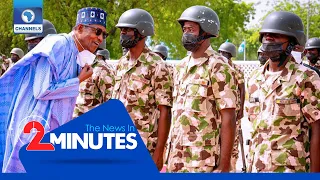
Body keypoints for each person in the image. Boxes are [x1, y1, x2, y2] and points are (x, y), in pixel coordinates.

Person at [0, 7, 108, 173]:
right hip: (33, 133)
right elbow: (42, 90)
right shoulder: (58, 44)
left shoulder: (75, 53)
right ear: (79, 28)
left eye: (104, 35)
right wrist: (78, 80)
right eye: (97, 32)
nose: (100, 38)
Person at [247, 11, 320, 173]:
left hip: (290, 168)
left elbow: (317, 129)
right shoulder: (254, 78)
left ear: (293, 42)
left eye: (276, 35)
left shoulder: (306, 77)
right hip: (257, 166)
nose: (269, 39)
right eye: (266, 35)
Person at [167, 5, 237, 173]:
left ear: (206, 31)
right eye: (184, 29)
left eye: (191, 29)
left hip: (202, 160)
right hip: (177, 158)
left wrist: (224, 165)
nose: (186, 34)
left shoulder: (218, 66)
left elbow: (229, 116)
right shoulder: (181, 66)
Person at [112, 8, 172, 171]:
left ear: (142, 32)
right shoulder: (121, 64)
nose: (122, 33)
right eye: (121, 30)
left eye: (127, 30)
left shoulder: (156, 66)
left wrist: (159, 154)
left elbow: (165, 112)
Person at [218, 42, 245, 172]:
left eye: (226, 54)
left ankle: (232, 167)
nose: (223, 55)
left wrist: (242, 109)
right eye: (222, 53)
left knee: (233, 140)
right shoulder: (217, 66)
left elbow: (242, 89)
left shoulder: (236, 69)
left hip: (234, 108)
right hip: (219, 109)